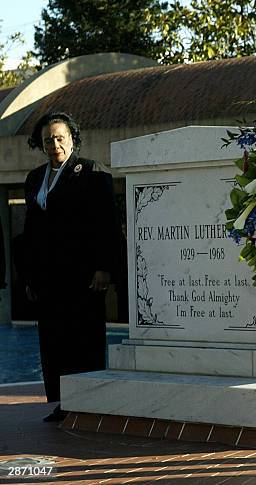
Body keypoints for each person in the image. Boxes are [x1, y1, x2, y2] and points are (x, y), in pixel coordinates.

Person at [23, 112, 119, 422]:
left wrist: (104, 267)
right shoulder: (34, 178)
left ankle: (89, 402)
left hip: (83, 277)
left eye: (60, 138)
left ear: (72, 139)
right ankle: (62, 403)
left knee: (83, 341)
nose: (54, 145)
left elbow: (107, 223)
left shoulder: (91, 172)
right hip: (47, 278)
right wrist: (29, 275)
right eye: (48, 140)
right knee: (52, 344)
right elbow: (30, 231)